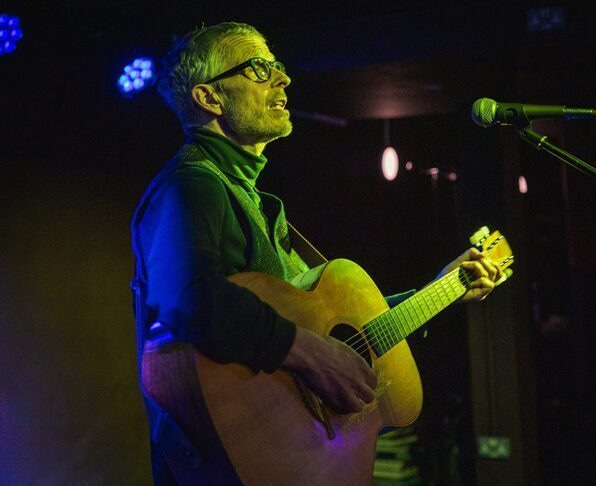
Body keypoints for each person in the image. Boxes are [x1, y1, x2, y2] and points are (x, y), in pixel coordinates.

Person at [131, 21, 501, 485]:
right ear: (210, 98)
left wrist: (441, 290)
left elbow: (340, 336)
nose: (283, 79)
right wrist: (306, 351)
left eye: (280, 67)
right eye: (260, 68)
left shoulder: (256, 202)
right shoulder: (192, 185)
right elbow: (187, 298)